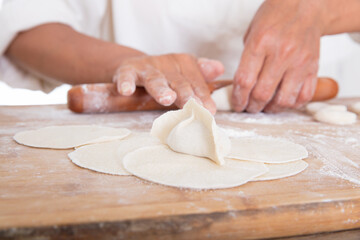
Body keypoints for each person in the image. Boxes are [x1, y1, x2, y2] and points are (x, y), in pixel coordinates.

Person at [0, 0, 360, 114]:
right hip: (145, 126)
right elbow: (24, 20)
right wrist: (126, 63)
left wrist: (320, 9)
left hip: (325, 116)